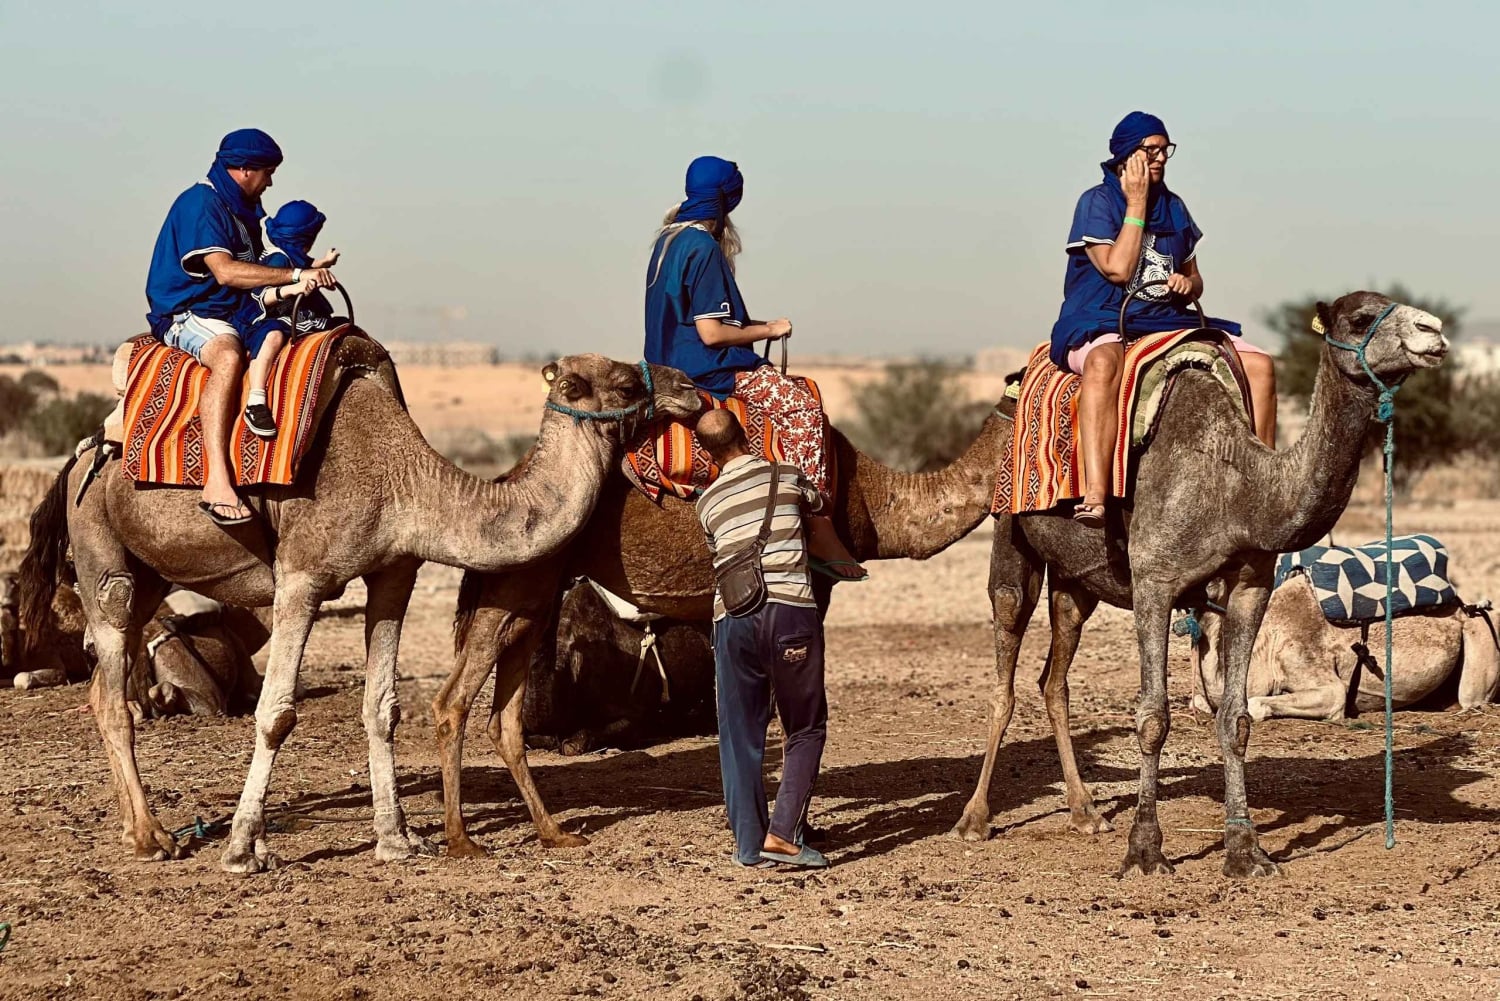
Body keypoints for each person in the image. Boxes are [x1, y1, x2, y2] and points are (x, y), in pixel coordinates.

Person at [644, 155, 866, 581]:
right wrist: (770, 328)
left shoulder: (667, 242)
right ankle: (817, 526)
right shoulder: (703, 248)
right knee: (803, 412)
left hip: (666, 366)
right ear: (727, 201)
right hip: (711, 369)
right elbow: (711, 333)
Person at [1051, 112, 1277, 527]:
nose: (1159, 158)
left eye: (1164, 150)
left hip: (1166, 320)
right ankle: (1096, 494)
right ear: (1124, 155)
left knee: (1260, 366)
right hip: (1102, 318)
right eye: (1148, 150)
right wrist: (1136, 203)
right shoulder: (1097, 203)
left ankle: (1262, 487)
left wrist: (1187, 285)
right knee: (1103, 364)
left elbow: (1196, 277)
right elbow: (1117, 270)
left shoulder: (1174, 207)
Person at [145, 129, 336, 524]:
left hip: (232, 308)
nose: (270, 181)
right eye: (267, 172)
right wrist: (293, 275)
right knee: (229, 356)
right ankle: (216, 481)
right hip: (189, 310)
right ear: (245, 169)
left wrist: (306, 273)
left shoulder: (241, 209)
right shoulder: (202, 204)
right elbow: (226, 271)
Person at [695, 409, 830, 869]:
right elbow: (820, 503)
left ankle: (748, 846)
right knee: (805, 728)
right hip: (789, 613)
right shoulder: (787, 475)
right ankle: (784, 834)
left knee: (739, 735)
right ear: (746, 436)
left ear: (707, 454)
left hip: (731, 621)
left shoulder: (706, 503)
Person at [247, 200, 343, 437]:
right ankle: (256, 399)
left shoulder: (294, 257)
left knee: (340, 327)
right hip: (275, 317)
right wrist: (292, 289)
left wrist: (323, 265)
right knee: (272, 337)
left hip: (303, 317)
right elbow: (260, 295)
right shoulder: (277, 260)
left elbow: (306, 266)